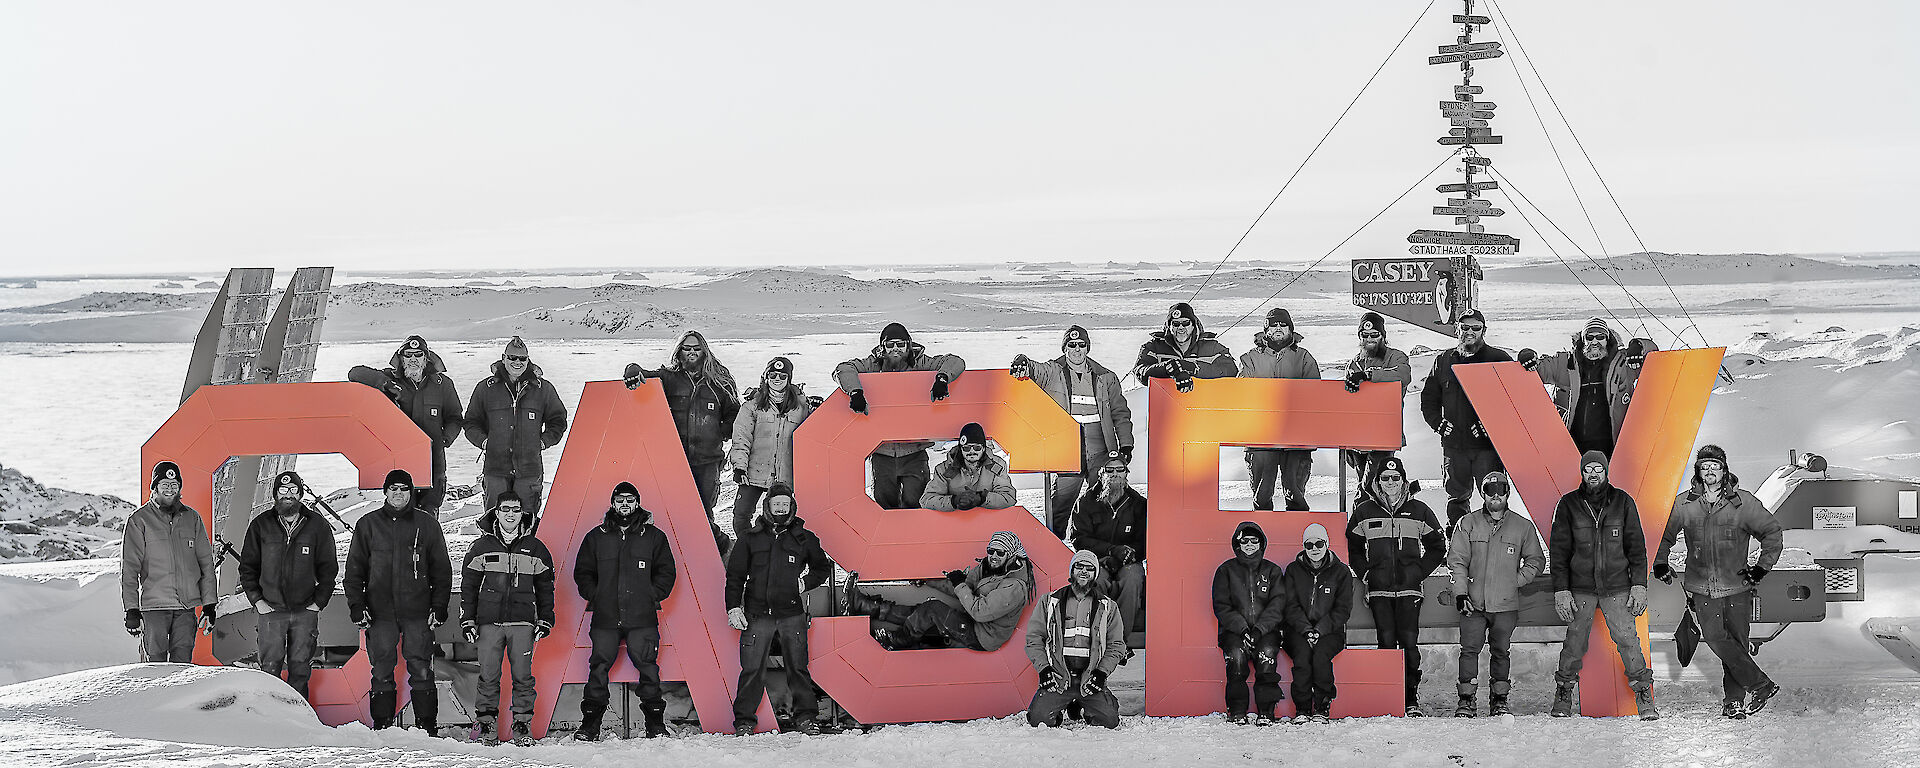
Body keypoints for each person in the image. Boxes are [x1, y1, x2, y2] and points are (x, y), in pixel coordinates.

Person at [1654, 445, 1785, 719]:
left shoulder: (1743, 503)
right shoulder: (1685, 504)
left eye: (1715, 466)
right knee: (1715, 638)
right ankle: (1761, 685)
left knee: (1736, 643)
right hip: (1702, 587)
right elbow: (1663, 535)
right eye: (1705, 466)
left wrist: (1761, 568)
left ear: (1724, 469)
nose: (1710, 471)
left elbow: (1772, 533)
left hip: (1737, 587)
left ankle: (1734, 701)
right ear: (1698, 471)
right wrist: (1660, 561)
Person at [343, 469, 453, 732]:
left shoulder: (426, 524)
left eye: (404, 489)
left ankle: (427, 727)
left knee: (422, 669)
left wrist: (439, 606)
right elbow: (354, 570)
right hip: (380, 613)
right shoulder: (368, 524)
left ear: (411, 492)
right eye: (393, 488)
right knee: (381, 670)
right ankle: (382, 726)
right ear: (385, 492)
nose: (399, 494)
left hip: (418, 611)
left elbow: (441, 569)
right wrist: (357, 606)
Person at [1549, 450, 1655, 720]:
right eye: (1588, 469)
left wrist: (1639, 585)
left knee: (1628, 641)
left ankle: (1644, 695)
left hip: (1618, 587)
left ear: (1606, 471)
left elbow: (1637, 548)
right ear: (1582, 473)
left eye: (1598, 468)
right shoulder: (1569, 504)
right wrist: (1561, 590)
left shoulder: (1623, 502)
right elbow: (1559, 551)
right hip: (1581, 588)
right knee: (1574, 643)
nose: (1593, 473)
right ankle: (1563, 693)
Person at [726, 484, 834, 736]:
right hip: (757, 614)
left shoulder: (804, 538)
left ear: (792, 507)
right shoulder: (750, 538)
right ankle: (744, 722)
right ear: (768, 506)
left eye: (786, 504)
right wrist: (733, 608)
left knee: (797, 667)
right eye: (777, 503)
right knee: (752, 669)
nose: (781, 508)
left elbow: (821, 568)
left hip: (791, 614)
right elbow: (735, 576)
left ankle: (806, 718)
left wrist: (805, 583)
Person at [572, 481, 678, 740]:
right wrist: (596, 595)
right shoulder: (596, 537)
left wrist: (651, 595)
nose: (625, 504)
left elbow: (666, 572)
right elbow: (583, 573)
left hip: (642, 618)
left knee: (649, 668)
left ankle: (655, 725)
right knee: (598, 668)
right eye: (620, 499)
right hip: (606, 618)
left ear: (638, 502)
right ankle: (590, 726)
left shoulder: (654, 537)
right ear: (612, 503)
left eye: (630, 499)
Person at [1010, 325, 1136, 538]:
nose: (1077, 350)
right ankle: (1053, 546)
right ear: (1064, 348)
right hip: (1068, 449)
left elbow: (1120, 412)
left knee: (1105, 500)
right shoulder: (1054, 372)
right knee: (1061, 503)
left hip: (1101, 449)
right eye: (1072, 345)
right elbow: (1036, 370)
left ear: (1087, 348)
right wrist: (1022, 361)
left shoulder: (1106, 377)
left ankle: (1098, 547)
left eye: (1081, 345)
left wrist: (1126, 445)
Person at [1343, 456, 1444, 716]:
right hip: (1379, 591)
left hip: (1410, 591)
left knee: (1409, 644)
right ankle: (1389, 697)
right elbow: (1352, 548)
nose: (1391, 482)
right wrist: (1366, 574)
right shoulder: (1365, 511)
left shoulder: (1419, 510)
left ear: (1403, 481)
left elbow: (1437, 546)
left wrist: (1418, 572)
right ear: (1377, 482)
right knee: (1386, 643)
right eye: (1385, 478)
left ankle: (1410, 699)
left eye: (1395, 478)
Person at [621, 331, 741, 538]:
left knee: (704, 513)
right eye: (687, 348)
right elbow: (643, 377)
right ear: (679, 351)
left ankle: (710, 553)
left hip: (708, 460)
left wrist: (720, 432)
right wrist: (632, 369)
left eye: (696, 348)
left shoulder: (720, 379)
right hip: (674, 460)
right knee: (672, 512)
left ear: (704, 350)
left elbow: (734, 411)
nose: (692, 352)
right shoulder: (668, 377)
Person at [833, 323, 967, 509]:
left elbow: (955, 361)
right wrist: (855, 391)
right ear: (882, 347)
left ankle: (915, 537)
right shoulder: (872, 365)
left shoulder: (921, 363)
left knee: (917, 502)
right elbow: (843, 369)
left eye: (901, 344)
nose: (895, 349)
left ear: (909, 345)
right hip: (882, 451)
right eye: (890, 345)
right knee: (885, 504)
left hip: (914, 450)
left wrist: (942, 378)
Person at [460, 491, 555, 746]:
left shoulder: (536, 548)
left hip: (523, 623)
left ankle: (522, 725)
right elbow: (468, 586)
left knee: (523, 677)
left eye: (515, 509)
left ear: (522, 513)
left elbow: (546, 588)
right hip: (489, 623)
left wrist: (545, 619)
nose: (510, 514)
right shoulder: (481, 547)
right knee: (488, 676)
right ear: (497, 512)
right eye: (506, 509)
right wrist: (467, 620)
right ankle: (486, 725)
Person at [1446, 471, 1544, 718]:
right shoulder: (1467, 524)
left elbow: (1535, 560)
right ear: (1483, 494)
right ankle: (1466, 700)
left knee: (1501, 651)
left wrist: (1516, 581)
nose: (1496, 495)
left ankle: (1499, 699)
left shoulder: (1522, 526)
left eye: (1501, 489)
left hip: (1505, 605)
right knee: (1469, 650)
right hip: (1474, 604)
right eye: (1490, 490)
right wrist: (1461, 594)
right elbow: (1457, 561)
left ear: (1508, 492)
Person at [844, 531, 1036, 653]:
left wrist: (960, 584)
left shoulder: (1015, 587)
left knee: (932, 610)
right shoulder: (987, 568)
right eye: (991, 550)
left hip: (984, 636)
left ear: (1011, 556)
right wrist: (930, 581)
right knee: (923, 611)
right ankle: (866, 606)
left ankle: (899, 640)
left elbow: (981, 612)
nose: (993, 556)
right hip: (971, 621)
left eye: (1000, 553)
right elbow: (961, 588)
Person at [237, 470, 338, 701]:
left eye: (294, 490)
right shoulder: (261, 525)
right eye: (283, 490)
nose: (288, 495)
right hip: (270, 611)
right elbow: (247, 568)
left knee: (300, 669)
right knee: (269, 669)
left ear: (301, 494)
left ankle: (298, 721)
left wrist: (318, 603)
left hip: (305, 611)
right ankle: (272, 722)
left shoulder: (317, 526)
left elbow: (328, 568)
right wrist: (258, 601)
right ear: (275, 494)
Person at [1419, 311, 1513, 532]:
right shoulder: (1443, 360)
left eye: (1475, 328)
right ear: (1457, 329)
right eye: (1465, 327)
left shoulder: (1498, 359)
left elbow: (1512, 401)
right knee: (1456, 500)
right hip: (1454, 447)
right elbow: (1428, 399)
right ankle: (1458, 546)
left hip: (1487, 448)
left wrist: (1491, 423)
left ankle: (1497, 546)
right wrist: (1438, 424)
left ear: (1484, 331)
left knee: (1494, 496)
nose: (1469, 332)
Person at [348, 336, 464, 511]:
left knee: (428, 515)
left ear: (426, 357)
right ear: (401, 358)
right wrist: (385, 384)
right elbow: (355, 373)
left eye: (418, 355)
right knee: (399, 514)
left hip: (433, 462)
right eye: (408, 355)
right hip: (400, 461)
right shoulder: (390, 378)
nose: (413, 360)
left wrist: (445, 438)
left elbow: (454, 417)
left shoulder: (442, 384)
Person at [121, 461, 217, 663]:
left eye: (175, 485)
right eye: (165, 484)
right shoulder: (139, 521)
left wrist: (209, 606)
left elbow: (206, 564)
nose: (170, 490)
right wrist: (131, 608)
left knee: (182, 667)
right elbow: (130, 568)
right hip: (154, 608)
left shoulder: (192, 519)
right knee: (155, 666)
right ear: (154, 487)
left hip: (185, 608)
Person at [1520, 317, 1657, 458]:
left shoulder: (1623, 364)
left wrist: (1638, 346)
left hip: (1614, 445)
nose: (1594, 342)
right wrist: (1527, 356)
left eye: (1600, 337)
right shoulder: (1565, 363)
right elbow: (1539, 369)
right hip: (1572, 444)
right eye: (1589, 337)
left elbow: (1653, 355)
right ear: (1583, 340)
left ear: (1608, 339)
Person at [465, 336, 570, 518]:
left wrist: (543, 442)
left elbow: (558, 420)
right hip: (495, 468)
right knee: (493, 520)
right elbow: (471, 422)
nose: (517, 362)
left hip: (529, 469)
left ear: (528, 360)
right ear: (503, 357)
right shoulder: (486, 389)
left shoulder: (542, 389)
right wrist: (484, 442)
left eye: (522, 358)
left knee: (527, 521)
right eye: (512, 357)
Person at [1024, 549, 1128, 729]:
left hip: (1089, 678)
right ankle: (1062, 704)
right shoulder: (1049, 601)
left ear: (1095, 574)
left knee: (1109, 722)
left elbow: (1116, 646)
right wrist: (1044, 670)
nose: (1084, 572)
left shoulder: (1108, 607)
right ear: (1071, 571)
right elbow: (1034, 639)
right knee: (1038, 721)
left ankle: (1085, 703)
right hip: (1059, 677)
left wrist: (1101, 673)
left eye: (1089, 568)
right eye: (1079, 566)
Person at [1238, 308, 1322, 511]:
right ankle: (1260, 536)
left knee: (1295, 492)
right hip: (1260, 435)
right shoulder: (1250, 358)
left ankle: (1298, 534)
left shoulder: (1303, 357)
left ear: (1290, 329)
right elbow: (1241, 391)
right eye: (1273, 324)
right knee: (1262, 493)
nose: (1278, 328)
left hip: (1297, 437)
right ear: (1266, 329)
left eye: (1282, 324)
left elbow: (1315, 391)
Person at [726, 356, 815, 540]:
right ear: (765, 377)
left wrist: (817, 411)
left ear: (789, 379)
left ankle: (781, 557)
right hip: (754, 472)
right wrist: (739, 467)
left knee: (785, 520)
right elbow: (741, 438)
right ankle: (750, 551)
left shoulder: (801, 406)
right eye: (772, 374)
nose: (777, 379)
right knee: (741, 516)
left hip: (786, 476)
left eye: (782, 376)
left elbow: (813, 436)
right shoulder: (752, 406)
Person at [1211, 522, 1287, 725]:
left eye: (1255, 541)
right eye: (1245, 541)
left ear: (1261, 543)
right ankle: (1237, 710)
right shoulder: (1225, 571)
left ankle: (1266, 711)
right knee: (1236, 660)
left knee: (1267, 656)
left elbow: (1277, 604)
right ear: (1238, 543)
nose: (1250, 545)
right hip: (1235, 631)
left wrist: (1260, 630)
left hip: (1266, 631)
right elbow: (1222, 606)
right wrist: (1243, 629)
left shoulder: (1272, 571)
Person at [1279, 523, 1353, 724]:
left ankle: (1322, 706)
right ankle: (1302, 709)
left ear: (1327, 544)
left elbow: (1342, 609)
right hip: (1298, 630)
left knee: (1321, 657)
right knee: (1302, 658)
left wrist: (1320, 630)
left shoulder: (1341, 572)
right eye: (1309, 545)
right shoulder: (1294, 570)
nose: (1314, 549)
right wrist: (1306, 630)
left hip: (1330, 631)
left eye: (1319, 544)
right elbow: (1290, 605)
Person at [1072, 456, 1147, 635]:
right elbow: (1078, 538)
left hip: (1128, 561)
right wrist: (1110, 551)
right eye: (1109, 470)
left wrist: (1124, 558)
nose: (1114, 474)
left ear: (1126, 474)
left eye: (1119, 469)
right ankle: (1093, 638)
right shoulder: (1086, 502)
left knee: (1133, 579)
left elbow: (1145, 540)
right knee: (1094, 580)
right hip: (1097, 559)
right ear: (1101, 474)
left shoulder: (1139, 504)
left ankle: (1119, 640)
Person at [1341, 312, 1412, 499]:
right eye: (1365, 336)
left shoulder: (1396, 357)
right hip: (1358, 439)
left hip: (1383, 436)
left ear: (1383, 336)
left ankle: (1358, 522)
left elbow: (1403, 376)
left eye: (1374, 335)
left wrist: (1370, 375)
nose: (1370, 339)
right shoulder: (1354, 363)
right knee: (1369, 488)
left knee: (1368, 488)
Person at [1133, 302, 1237, 393]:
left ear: (1193, 325)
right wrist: (1167, 368)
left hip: (1205, 406)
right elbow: (1140, 371)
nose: (1181, 328)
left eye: (1186, 323)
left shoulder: (1212, 347)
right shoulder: (1154, 347)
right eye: (1176, 324)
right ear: (1169, 326)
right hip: (1165, 408)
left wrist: (1193, 368)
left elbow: (1231, 371)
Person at [921, 422, 1017, 511]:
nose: (972, 452)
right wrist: (954, 501)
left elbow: (1008, 498)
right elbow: (927, 500)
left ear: (983, 448)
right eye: (966, 448)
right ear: (960, 449)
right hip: (954, 522)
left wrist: (982, 498)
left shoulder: (997, 467)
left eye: (976, 448)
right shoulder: (944, 470)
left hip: (989, 521)